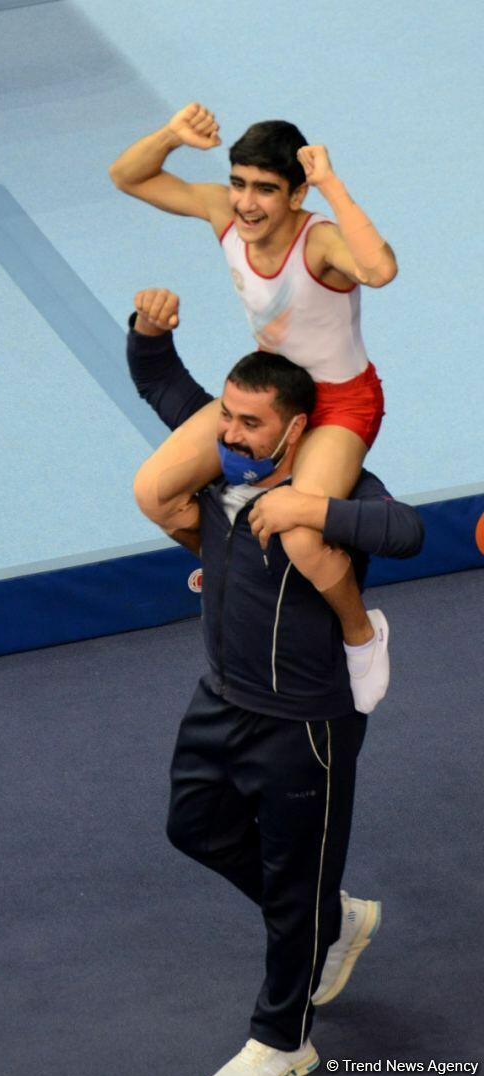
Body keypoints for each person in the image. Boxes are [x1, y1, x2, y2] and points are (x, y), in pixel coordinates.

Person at [126, 287, 424, 1076]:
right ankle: (336, 918)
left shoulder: (339, 490)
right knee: (192, 826)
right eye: (226, 414)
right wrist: (147, 333)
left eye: (250, 423)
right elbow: (161, 384)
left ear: (297, 430)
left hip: (306, 725)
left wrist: (313, 508)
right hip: (220, 697)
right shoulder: (221, 456)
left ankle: (285, 1043)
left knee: (295, 891)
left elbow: (407, 531)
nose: (230, 432)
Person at [110, 104, 398, 714]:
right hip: (269, 390)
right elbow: (128, 177)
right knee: (153, 494)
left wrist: (332, 184)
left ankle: (361, 634)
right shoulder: (223, 211)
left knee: (299, 533)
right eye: (239, 182)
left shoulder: (318, 240)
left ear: (295, 194)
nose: (245, 202)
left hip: (340, 404)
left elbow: (379, 269)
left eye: (266, 189)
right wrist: (171, 136)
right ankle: (233, 568)